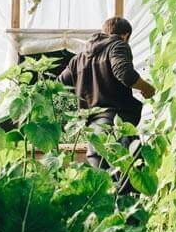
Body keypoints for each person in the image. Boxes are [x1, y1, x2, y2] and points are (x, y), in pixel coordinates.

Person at [57, 17, 155, 172]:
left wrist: (67, 119)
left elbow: (58, 86)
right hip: (117, 126)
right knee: (128, 183)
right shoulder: (117, 45)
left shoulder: (78, 58)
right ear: (126, 35)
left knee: (105, 186)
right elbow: (125, 73)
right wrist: (147, 88)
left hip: (93, 132)